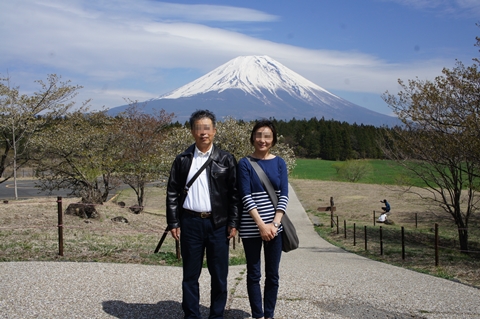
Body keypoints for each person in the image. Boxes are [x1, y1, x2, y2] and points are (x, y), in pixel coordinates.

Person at [166, 109, 240, 319]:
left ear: (214, 131)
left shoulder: (225, 159)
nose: (203, 133)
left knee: (219, 275)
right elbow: (172, 191)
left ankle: (216, 315)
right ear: (192, 132)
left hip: (218, 224)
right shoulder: (182, 159)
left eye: (207, 128)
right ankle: (191, 315)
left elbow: (235, 194)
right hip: (190, 223)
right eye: (199, 128)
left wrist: (233, 221)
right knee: (190, 274)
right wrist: (173, 222)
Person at [237, 119, 289, 319]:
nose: (262, 140)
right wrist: (261, 225)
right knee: (254, 273)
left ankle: (269, 314)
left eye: (267, 136)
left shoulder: (279, 163)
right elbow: (245, 195)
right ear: (252, 138)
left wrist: (274, 224)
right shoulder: (245, 163)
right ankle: (257, 315)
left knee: (273, 275)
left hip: (275, 229)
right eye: (259, 135)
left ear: (273, 139)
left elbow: (284, 194)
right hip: (252, 227)